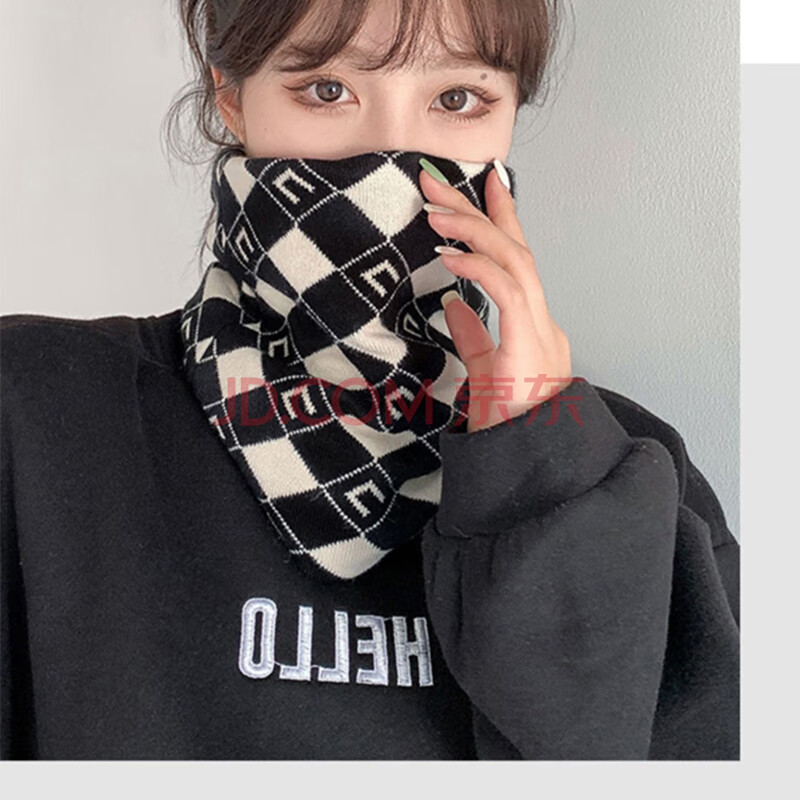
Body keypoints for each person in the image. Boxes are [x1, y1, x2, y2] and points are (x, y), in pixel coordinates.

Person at [0, 0, 739, 760]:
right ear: (231, 95)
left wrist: (541, 470)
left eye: (458, 98)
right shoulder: (35, 415)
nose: (393, 154)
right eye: (327, 90)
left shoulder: (630, 476)